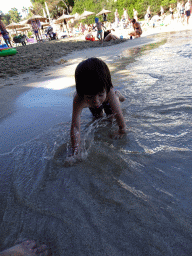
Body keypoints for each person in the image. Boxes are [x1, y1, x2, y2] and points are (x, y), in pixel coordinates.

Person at [70, 57, 126, 155]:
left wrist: (121, 130)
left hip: (108, 98)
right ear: (81, 93)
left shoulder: (109, 93)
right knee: (98, 116)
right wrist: (76, 149)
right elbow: (75, 127)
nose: (96, 101)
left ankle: (118, 95)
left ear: (107, 88)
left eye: (100, 94)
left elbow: (119, 114)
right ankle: (104, 98)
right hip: (98, 97)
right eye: (90, 96)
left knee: (111, 116)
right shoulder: (78, 99)